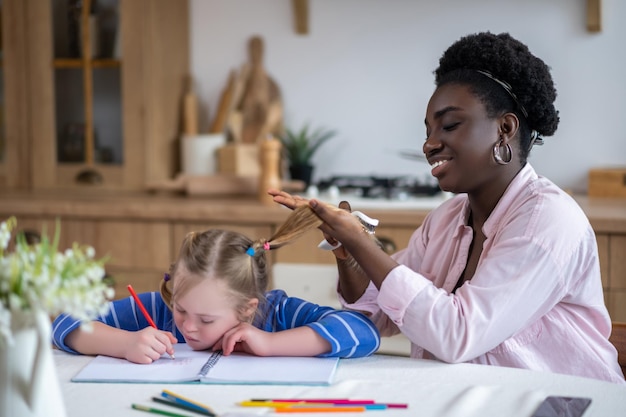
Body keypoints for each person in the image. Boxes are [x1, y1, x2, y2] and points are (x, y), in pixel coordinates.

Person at [270, 32, 625, 383]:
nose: (429, 144)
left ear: (505, 128)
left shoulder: (547, 222)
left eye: (450, 125)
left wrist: (362, 242)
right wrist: (348, 250)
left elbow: (457, 335)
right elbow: (376, 313)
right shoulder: (445, 219)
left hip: (563, 405)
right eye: (428, 130)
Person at [51, 207, 380, 364]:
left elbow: (363, 332)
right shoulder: (156, 311)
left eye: (207, 319)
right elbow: (64, 323)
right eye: (181, 309)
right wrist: (124, 344)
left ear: (247, 308)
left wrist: (271, 343)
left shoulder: (276, 313)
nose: (188, 326)